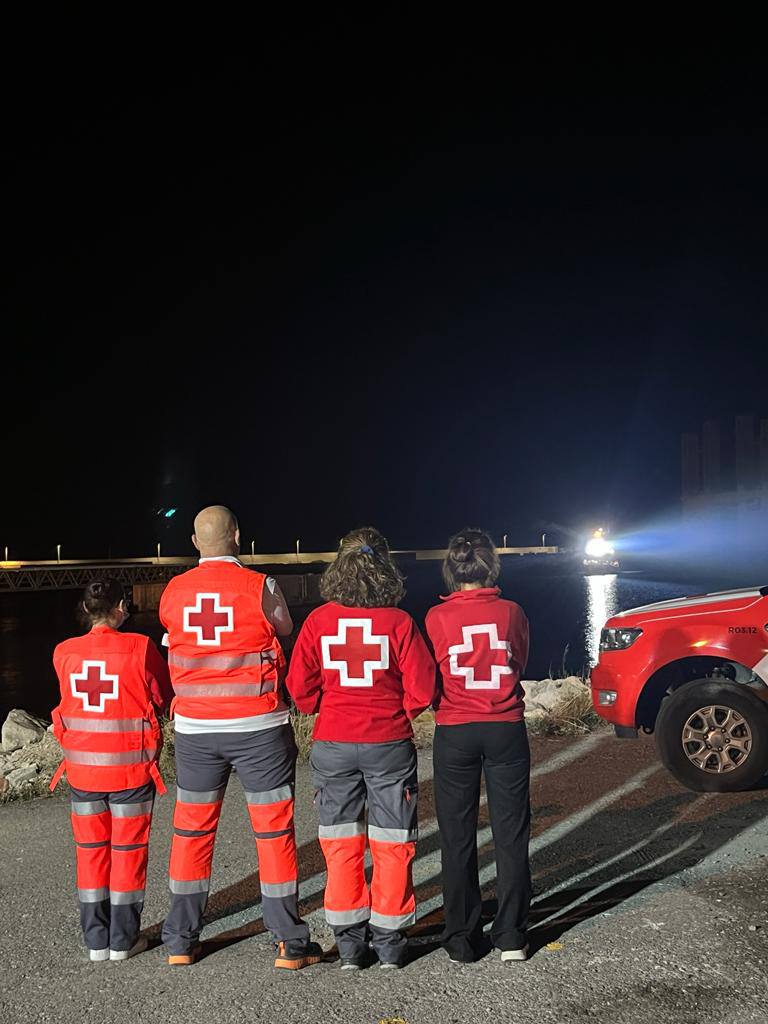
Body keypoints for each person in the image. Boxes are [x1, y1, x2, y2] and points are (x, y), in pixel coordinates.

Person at [159, 505, 322, 969]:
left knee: (191, 833)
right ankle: (290, 942)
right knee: (273, 834)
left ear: (195, 543)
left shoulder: (174, 591)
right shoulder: (260, 586)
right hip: (259, 730)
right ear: (237, 536)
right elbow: (284, 628)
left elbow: (174, 640)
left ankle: (180, 941)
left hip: (195, 733)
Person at [286, 527, 436, 969]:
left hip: (333, 742)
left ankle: (350, 946)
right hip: (388, 743)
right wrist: (401, 711)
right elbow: (424, 688)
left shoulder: (317, 622)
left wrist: (320, 706)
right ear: (384, 569)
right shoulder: (399, 622)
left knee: (340, 842)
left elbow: (299, 687)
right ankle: (390, 943)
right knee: (393, 842)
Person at [50, 578, 172, 962]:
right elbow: (162, 696)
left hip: (82, 772)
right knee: (128, 853)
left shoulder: (63, 652)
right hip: (131, 772)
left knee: (90, 855)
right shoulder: (139, 647)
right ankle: (123, 939)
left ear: (85, 610)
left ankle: (95, 941)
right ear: (121, 607)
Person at [424, 528, 531, 964]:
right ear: (491, 567)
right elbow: (519, 660)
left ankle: (462, 939)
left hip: (455, 730)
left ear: (452, 570)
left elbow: (431, 674)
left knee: (456, 836)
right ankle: (511, 936)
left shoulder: (435, 618)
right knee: (511, 835)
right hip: (505, 726)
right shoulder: (512, 612)